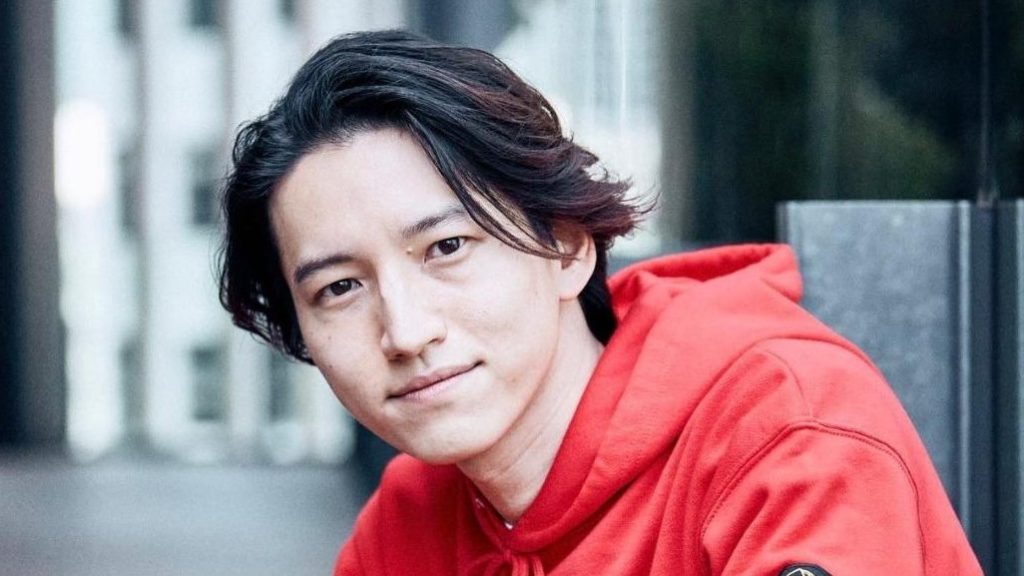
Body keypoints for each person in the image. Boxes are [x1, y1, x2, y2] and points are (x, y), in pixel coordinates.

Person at [218, 30, 981, 575]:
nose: (406, 331)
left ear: (566, 246)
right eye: (339, 288)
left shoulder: (787, 431)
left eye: (447, 247)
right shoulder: (410, 522)